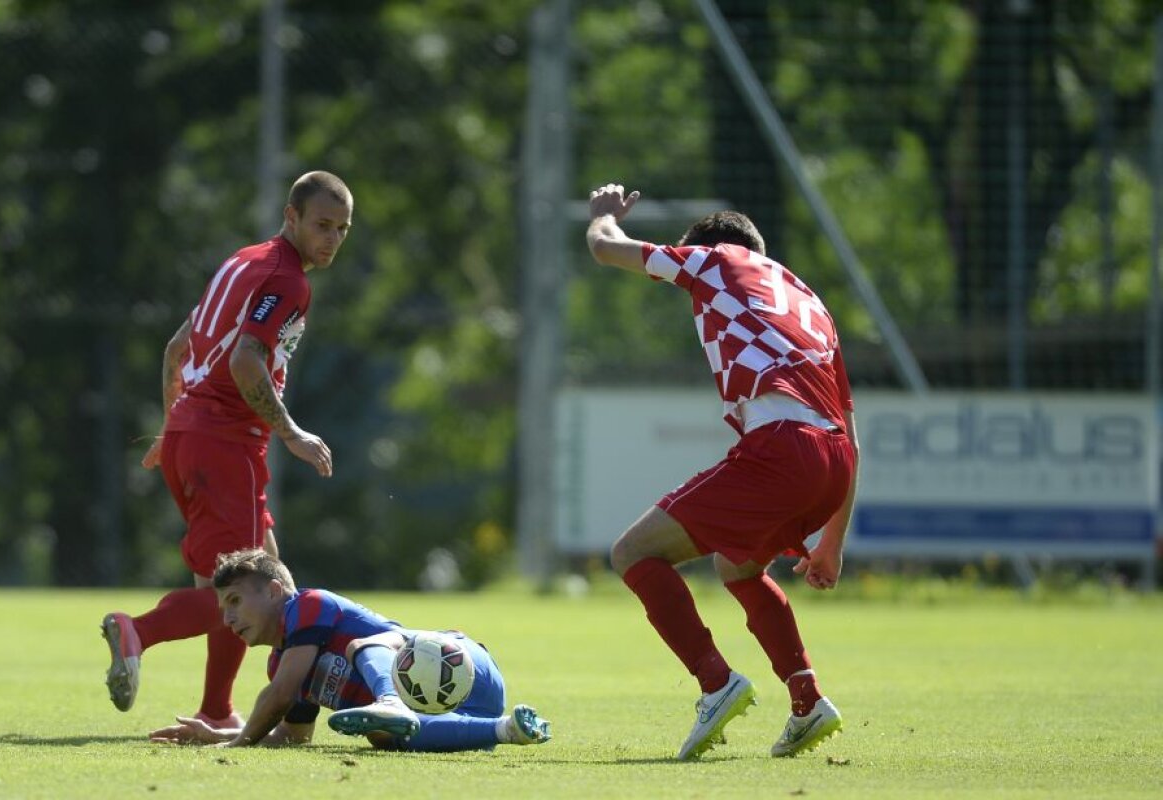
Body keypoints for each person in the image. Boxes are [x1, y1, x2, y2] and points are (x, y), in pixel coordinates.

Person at [585, 184, 859, 760]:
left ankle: (717, 683)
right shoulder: (811, 303)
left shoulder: (716, 260)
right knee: (737, 566)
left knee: (633, 553)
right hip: (832, 459)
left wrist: (604, 216)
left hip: (782, 450)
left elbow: (607, 249)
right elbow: (849, 433)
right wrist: (831, 542)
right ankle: (807, 701)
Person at [101, 171, 353, 728]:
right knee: (248, 593)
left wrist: (172, 430)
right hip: (225, 444)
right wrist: (291, 432)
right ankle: (136, 630)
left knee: (266, 578)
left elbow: (175, 349)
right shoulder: (287, 280)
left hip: (195, 441)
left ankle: (217, 711)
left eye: (341, 228)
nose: (330, 238)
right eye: (320, 225)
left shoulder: (243, 261)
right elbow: (244, 361)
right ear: (291, 217)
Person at [147, 548, 552, 751]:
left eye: (234, 601)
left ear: (274, 592)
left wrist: (234, 744)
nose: (228, 618)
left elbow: (279, 698)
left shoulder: (307, 605)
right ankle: (507, 729)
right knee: (383, 735)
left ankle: (391, 701)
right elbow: (292, 734)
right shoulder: (282, 662)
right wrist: (216, 733)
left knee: (366, 646)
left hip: (460, 663)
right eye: (223, 609)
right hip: (460, 717)